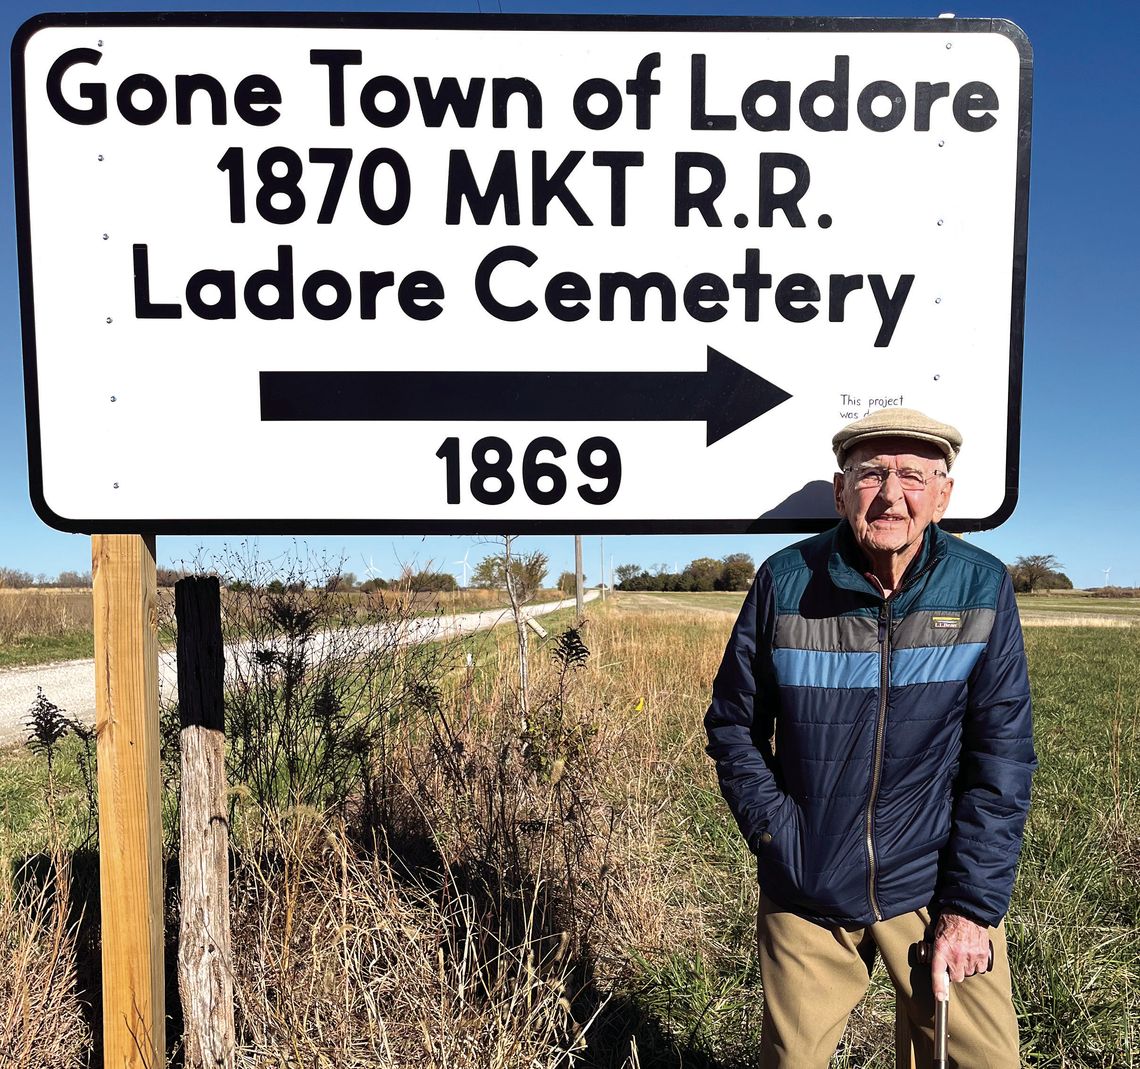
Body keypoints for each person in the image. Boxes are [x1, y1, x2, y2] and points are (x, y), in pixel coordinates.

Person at [704, 408, 1036, 1068]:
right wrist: (780, 836)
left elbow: (1001, 755)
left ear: (943, 493)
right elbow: (734, 726)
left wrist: (969, 907)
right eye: (872, 473)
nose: (891, 494)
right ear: (839, 489)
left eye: (914, 474)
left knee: (984, 1060)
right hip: (807, 883)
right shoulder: (785, 581)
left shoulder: (982, 587)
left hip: (932, 879)